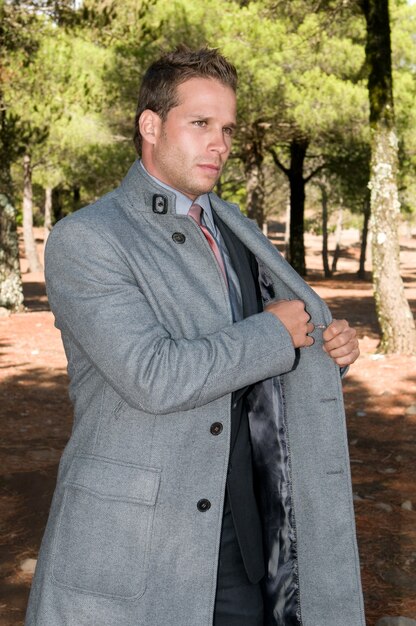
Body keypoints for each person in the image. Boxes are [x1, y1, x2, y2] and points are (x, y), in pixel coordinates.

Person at [25, 47, 365, 626]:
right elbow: (153, 377)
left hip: (244, 537)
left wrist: (326, 351)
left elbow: (266, 357)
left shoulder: (235, 227)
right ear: (150, 125)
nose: (221, 144)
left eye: (228, 128)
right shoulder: (88, 239)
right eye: (201, 124)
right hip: (137, 544)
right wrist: (274, 334)